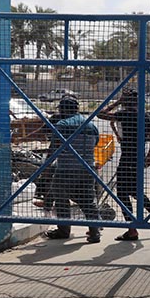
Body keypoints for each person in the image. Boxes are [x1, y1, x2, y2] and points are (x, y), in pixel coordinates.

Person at [97, 88, 150, 241]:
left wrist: (117, 102)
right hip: (139, 158)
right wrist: (149, 155)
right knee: (135, 191)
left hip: (127, 158)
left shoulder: (124, 114)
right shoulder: (145, 117)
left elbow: (100, 114)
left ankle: (132, 228)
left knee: (122, 193)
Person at [43, 96, 103, 244]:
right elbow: (95, 143)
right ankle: (94, 232)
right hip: (87, 168)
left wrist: (46, 167)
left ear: (63, 110)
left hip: (66, 168)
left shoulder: (62, 124)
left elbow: (54, 147)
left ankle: (63, 231)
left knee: (61, 198)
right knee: (88, 200)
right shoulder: (91, 125)